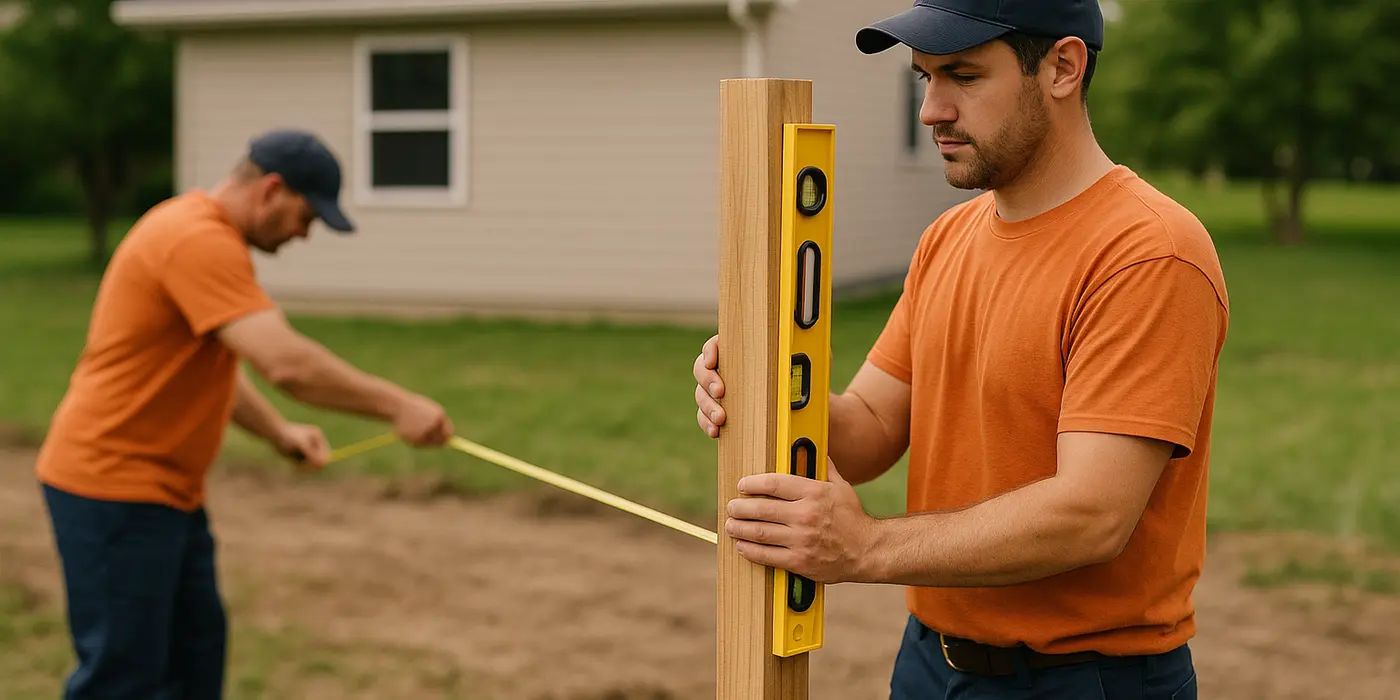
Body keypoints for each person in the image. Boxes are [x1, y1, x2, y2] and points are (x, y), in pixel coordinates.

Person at [692, 1, 1228, 698]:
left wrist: (867, 547)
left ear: (1063, 67)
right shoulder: (949, 239)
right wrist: (765, 380)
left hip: (1084, 680)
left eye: (963, 76)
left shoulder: (1149, 253)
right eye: (924, 79)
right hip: (929, 663)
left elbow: (1091, 517)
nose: (931, 111)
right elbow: (870, 433)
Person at [34, 129, 455, 700]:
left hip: (167, 494)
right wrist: (398, 406)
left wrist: (278, 432)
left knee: (195, 662)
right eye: (307, 217)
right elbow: (286, 365)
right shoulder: (195, 240)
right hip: (113, 488)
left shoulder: (204, 237)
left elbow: (212, 367)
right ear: (272, 190)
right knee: (123, 679)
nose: (305, 234)